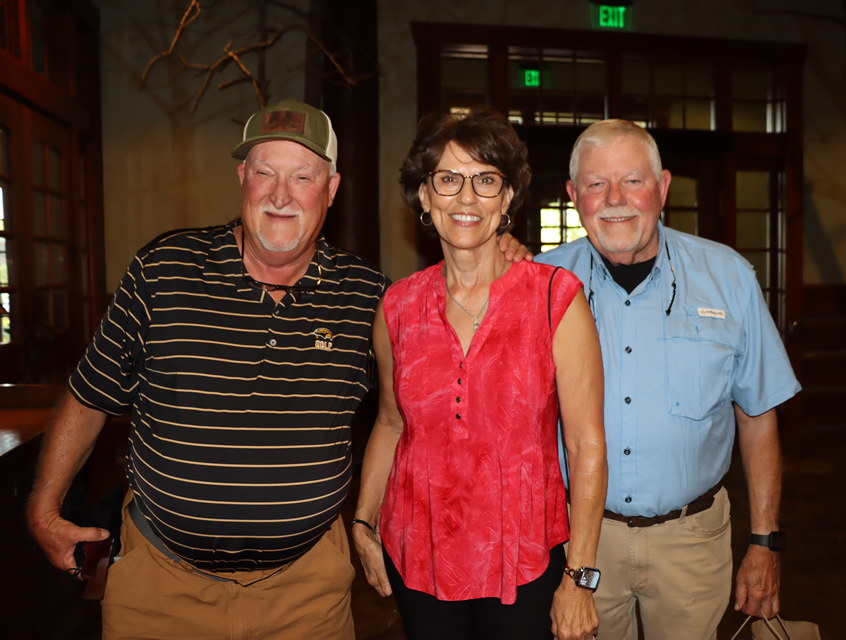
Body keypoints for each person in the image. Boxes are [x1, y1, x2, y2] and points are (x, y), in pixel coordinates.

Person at [26, 99, 528, 639]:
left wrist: (496, 255)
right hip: (159, 585)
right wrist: (44, 507)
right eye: (265, 172)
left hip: (307, 595)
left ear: (332, 190)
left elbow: (419, 410)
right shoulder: (163, 271)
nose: (281, 194)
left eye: (303, 176)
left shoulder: (368, 297)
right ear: (243, 178)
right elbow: (90, 394)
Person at [536, 119, 801, 640]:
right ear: (572, 195)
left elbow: (758, 417)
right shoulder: (538, 284)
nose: (615, 199)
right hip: (579, 544)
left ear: (662, 187)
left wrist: (765, 543)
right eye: (595, 184)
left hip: (693, 541)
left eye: (633, 180)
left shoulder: (728, 278)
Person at [351, 109, 608, 640]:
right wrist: (363, 520)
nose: (466, 198)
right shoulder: (396, 306)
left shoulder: (556, 300)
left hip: (524, 557)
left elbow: (586, 446)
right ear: (425, 196)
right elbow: (390, 424)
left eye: (485, 180)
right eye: (448, 179)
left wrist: (579, 579)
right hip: (417, 553)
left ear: (508, 197)